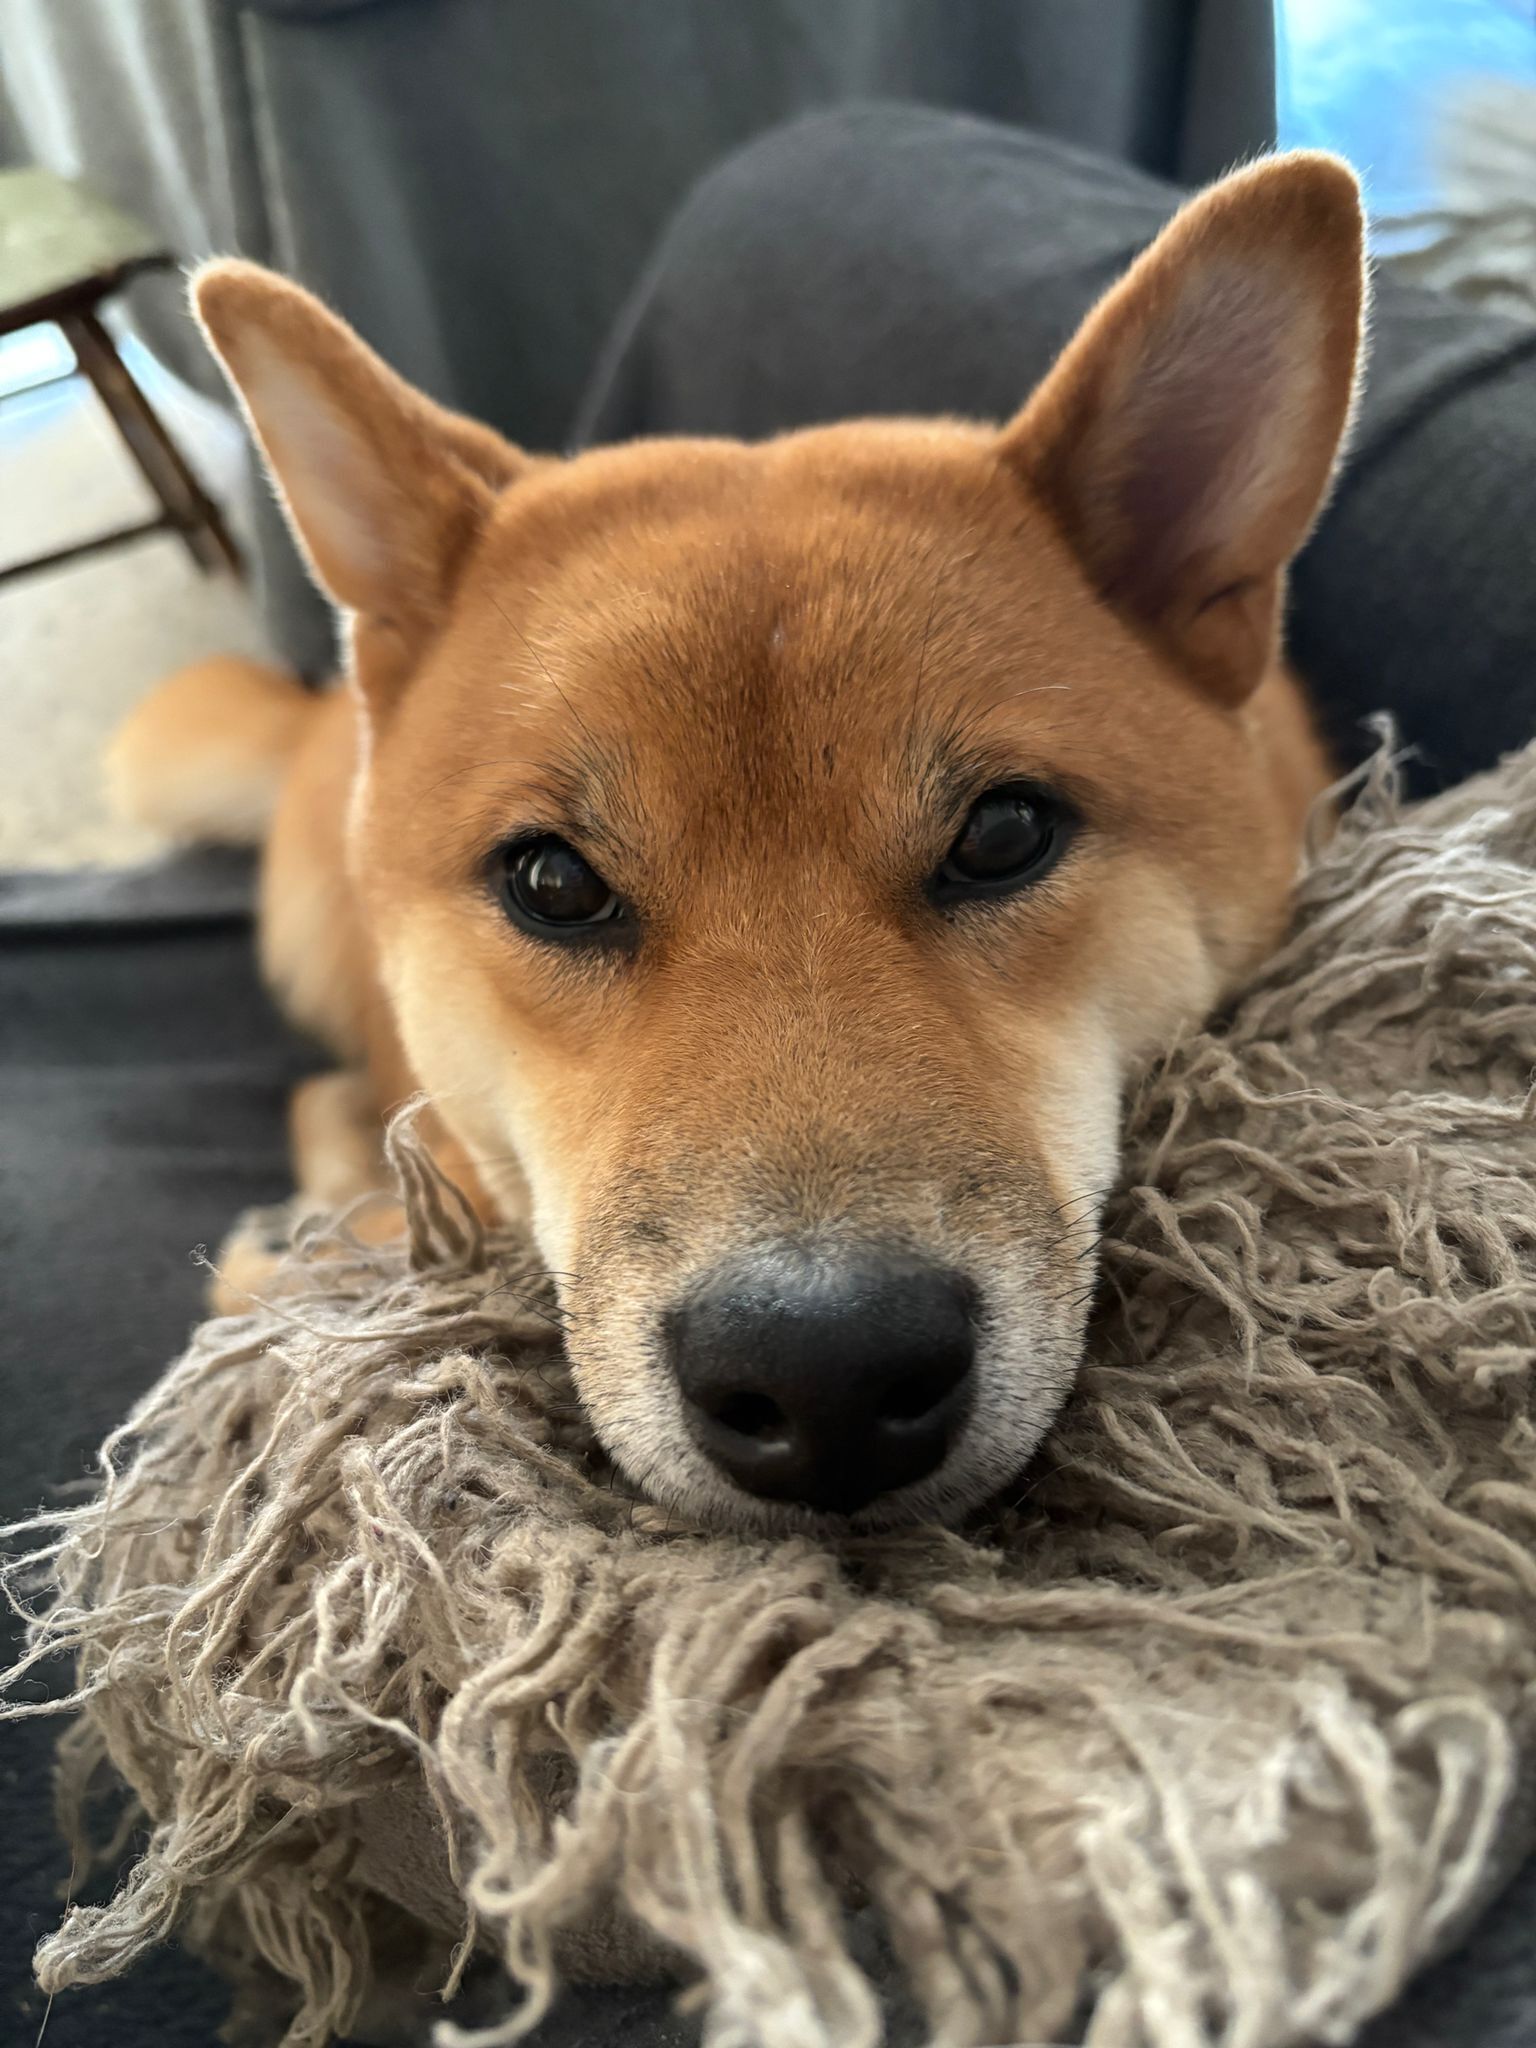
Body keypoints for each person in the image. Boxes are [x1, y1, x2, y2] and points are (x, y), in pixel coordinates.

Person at [2, 107, 1533, 2048]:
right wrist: (399, 1161)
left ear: (1190, 577)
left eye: (993, 844)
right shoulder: (433, 743)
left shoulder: (1182, 696)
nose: (805, 1294)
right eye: (565, 885)